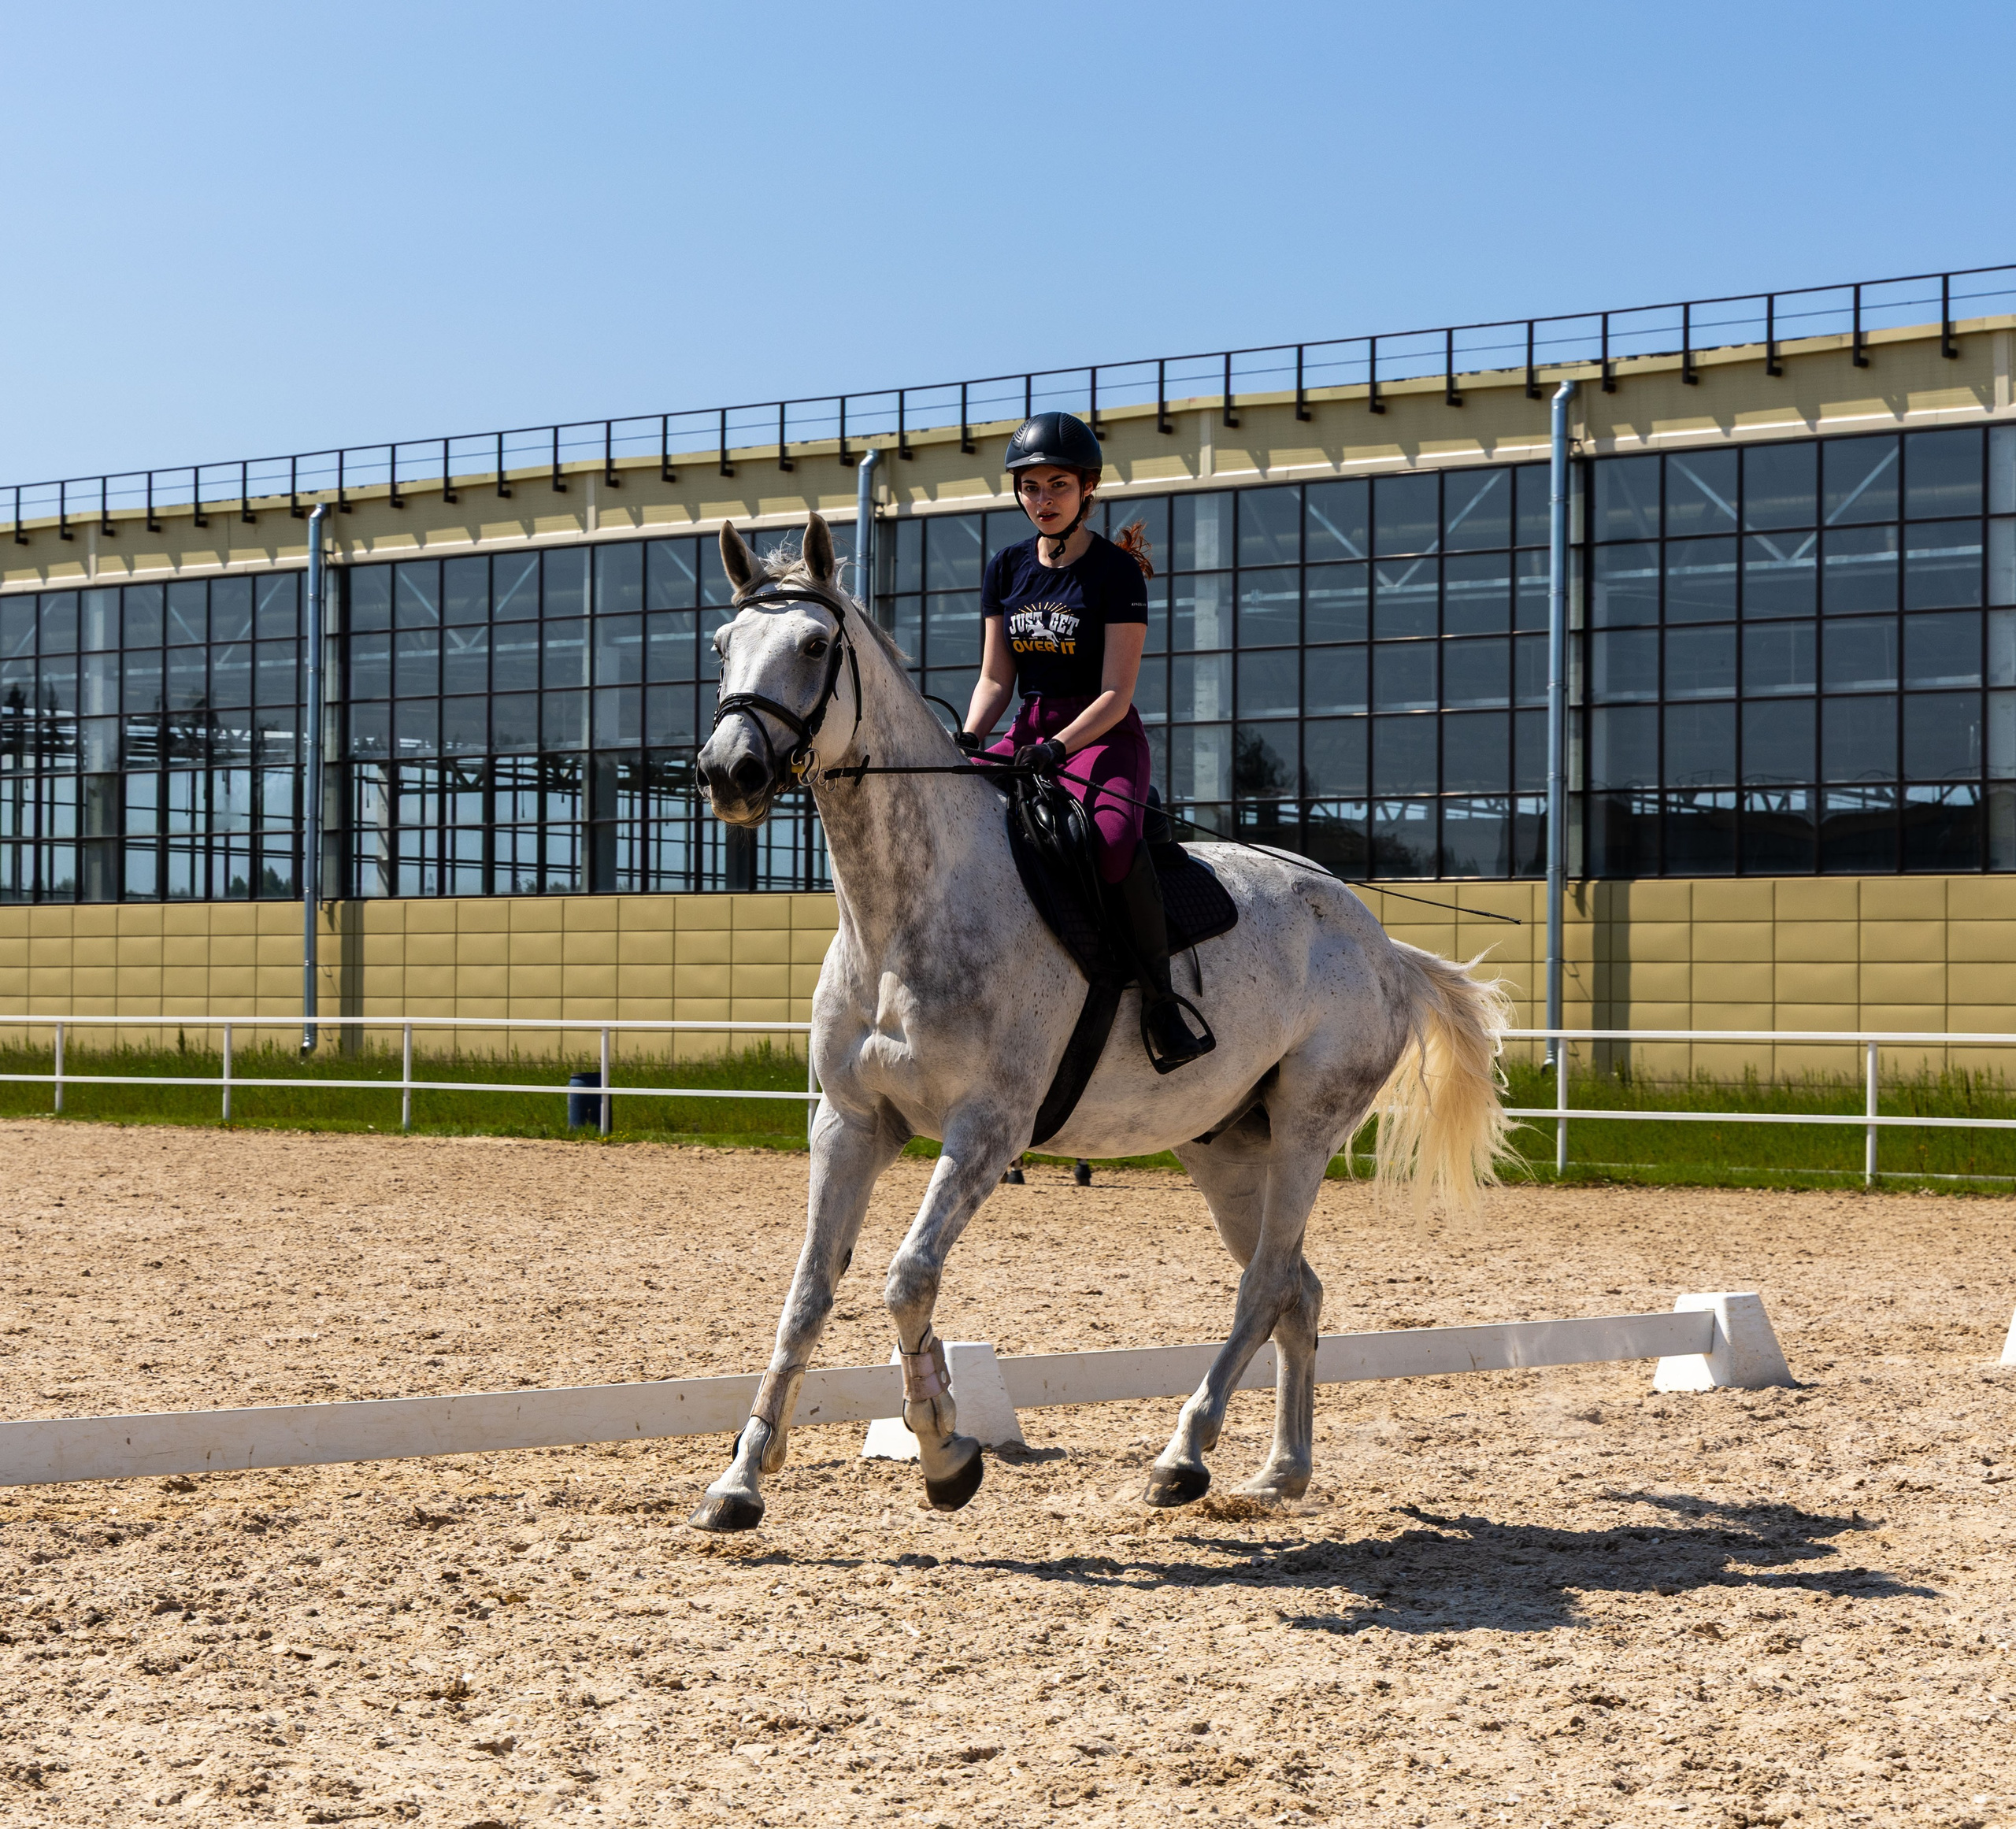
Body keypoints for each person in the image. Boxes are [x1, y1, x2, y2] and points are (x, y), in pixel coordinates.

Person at [958, 411, 1212, 1070]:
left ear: (1089, 488)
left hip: (1099, 735)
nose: (1043, 500)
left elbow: (1115, 695)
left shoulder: (1116, 573)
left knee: (1108, 843)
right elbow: (994, 677)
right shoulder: (1005, 567)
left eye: (1058, 485)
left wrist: (1058, 747)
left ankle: (1161, 1001)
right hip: (1028, 728)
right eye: (1032, 487)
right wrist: (967, 737)